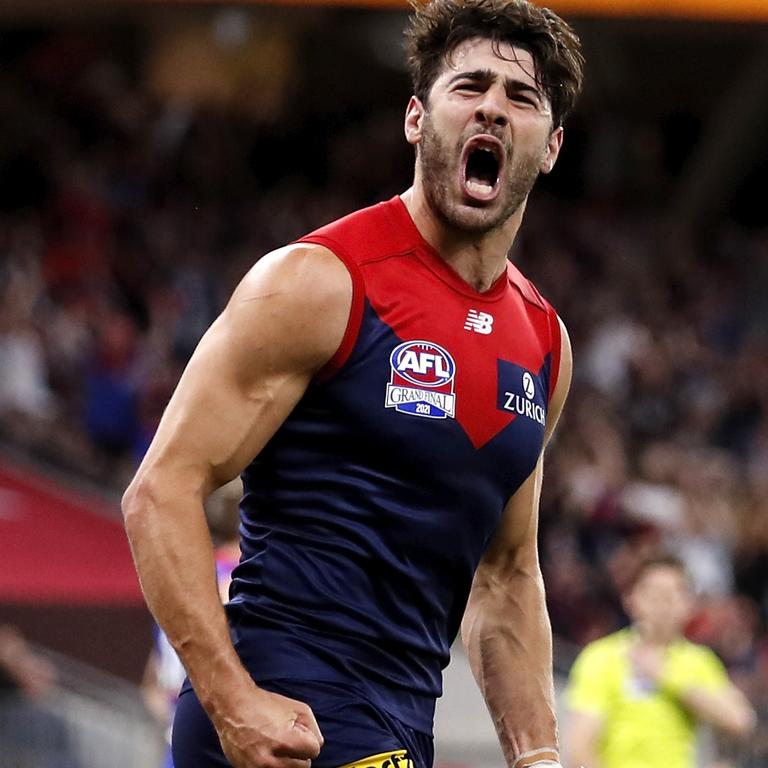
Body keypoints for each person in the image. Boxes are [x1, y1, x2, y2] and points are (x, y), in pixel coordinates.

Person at [121, 1, 584, 767]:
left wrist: (537, 757)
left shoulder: (543, 343)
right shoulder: (318, 283)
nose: (494, 110)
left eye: (521, 97)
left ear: (553, 146)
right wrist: (232, 702)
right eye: (469, 87)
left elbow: (505, 575)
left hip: (401, 726)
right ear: (416, 118)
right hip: (291, 713)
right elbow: (160, 489)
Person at [564, 554, 757, 768]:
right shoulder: (601, 657)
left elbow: (741, 720)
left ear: (689, 604)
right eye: (654, 594)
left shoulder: (698, 661)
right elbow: (580, 748)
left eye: (673, 594)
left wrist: (667, 677)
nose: (663, 605)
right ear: (631, 598)